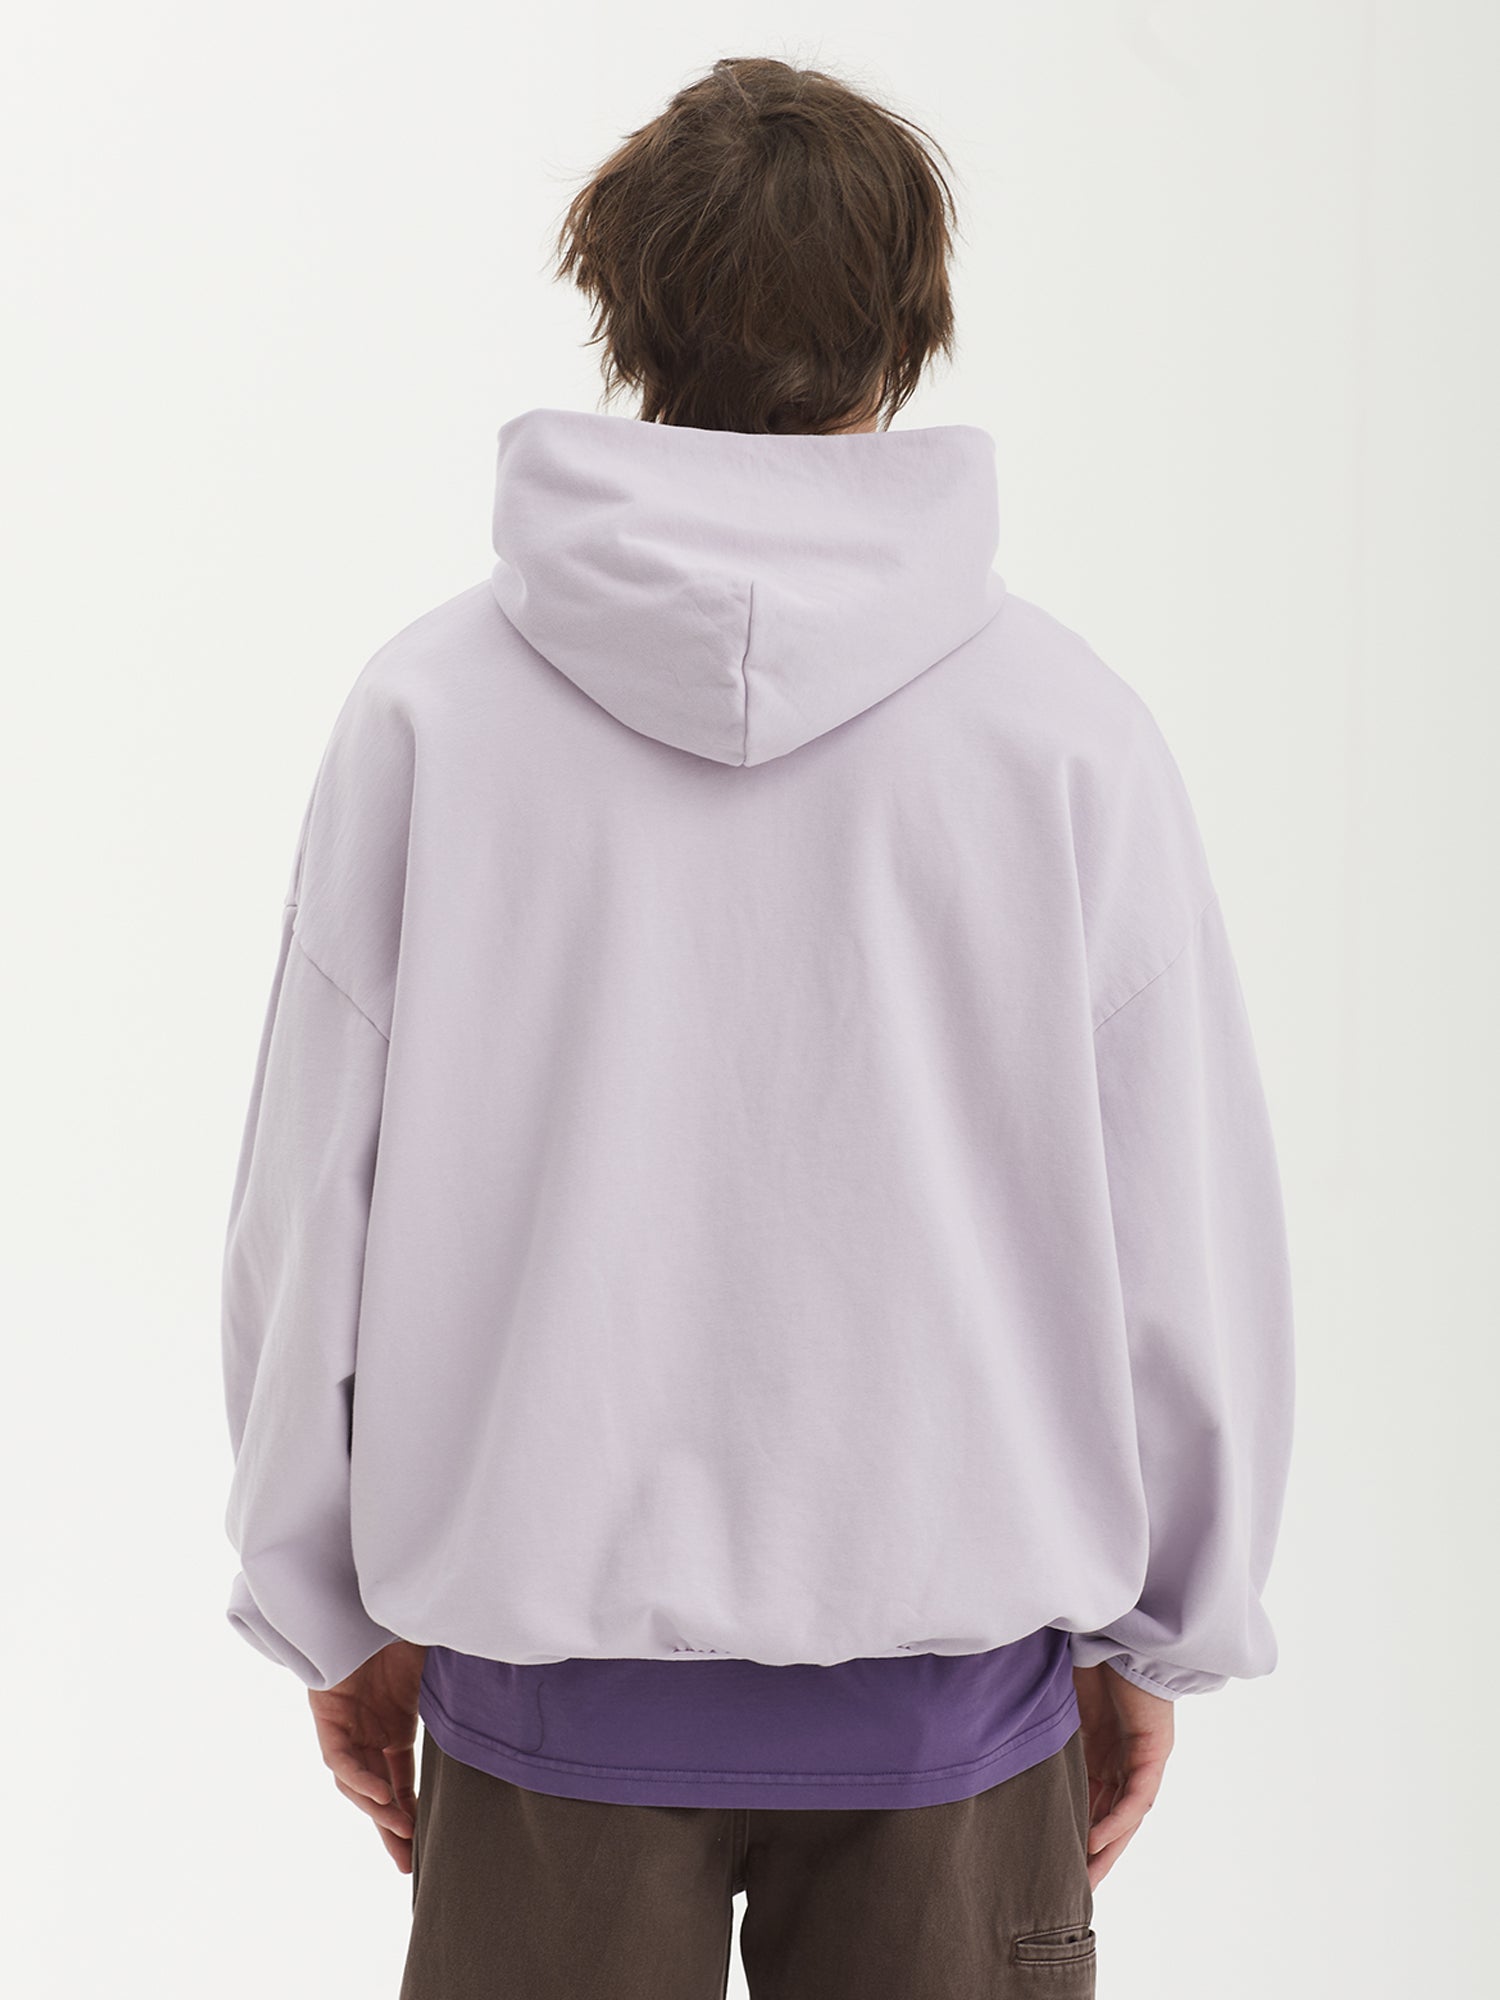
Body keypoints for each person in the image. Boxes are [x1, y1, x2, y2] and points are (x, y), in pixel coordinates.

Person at [219, 54, 1295, 2000]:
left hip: (545, 1704)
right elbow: (1180, 1217)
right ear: (911, 324)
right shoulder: (1063, 733)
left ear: (625, 314)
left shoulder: (430, 718)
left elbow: (311, 1212)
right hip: (954, 1712)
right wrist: (1164, 1631)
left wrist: (329, 1603)